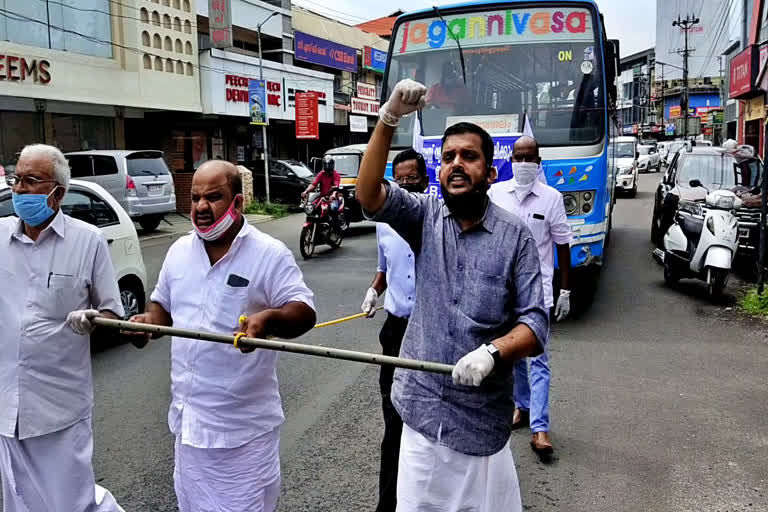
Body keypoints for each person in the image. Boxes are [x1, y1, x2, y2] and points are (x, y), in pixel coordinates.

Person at [357, 79, 549, 512]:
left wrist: (493, 353)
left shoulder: (515, 236)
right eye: (447, 157)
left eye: (469, 156)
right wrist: (388, 118)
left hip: (482, 425)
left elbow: (535, 324)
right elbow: (368, 196)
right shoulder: (424, 215)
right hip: (421, 414)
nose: (456, 164)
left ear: (490, 172)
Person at [126, 160, 317, 512]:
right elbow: (162, 308)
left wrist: (269, 319)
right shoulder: (179, 252)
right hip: (188, 424)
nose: (200, 207)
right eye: (195, 197)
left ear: (238, 203)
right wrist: (147, 324)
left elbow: (303, 310)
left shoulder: (268, 253)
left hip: (243, 433)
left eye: (213, 197)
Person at [0, 144, 125, 511]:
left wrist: (95, 321)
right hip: (8, 404)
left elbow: (113, 313)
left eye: (32, 181)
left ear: (58, 193)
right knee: (19, 502)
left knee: (70, 502)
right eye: (17, 178)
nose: (19, 189)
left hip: (60, 408)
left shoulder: (88, 241)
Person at [488, 135, 572, 458]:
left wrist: (565, 290)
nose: (523, 164)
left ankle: (540, 428)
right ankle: (521, 408)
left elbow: (563, 245)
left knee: (539, 360)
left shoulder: (551, 198)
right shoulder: (497, 194)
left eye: (529, 158)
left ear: (539, 162)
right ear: (512, 161)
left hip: (539, 294)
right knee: (513, 358)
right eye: (518, 158)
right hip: (504, 293)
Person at [359, 148, 429, 512]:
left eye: (411, 178)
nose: (404, 185)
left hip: (431, 333)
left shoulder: (435, 218)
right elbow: (384, 268)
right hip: (396, 330)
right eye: (398, 179)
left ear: (425, 179)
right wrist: (374, 290)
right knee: (394, 419)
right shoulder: (383, 221)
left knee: (430, 422)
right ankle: (388, 504)